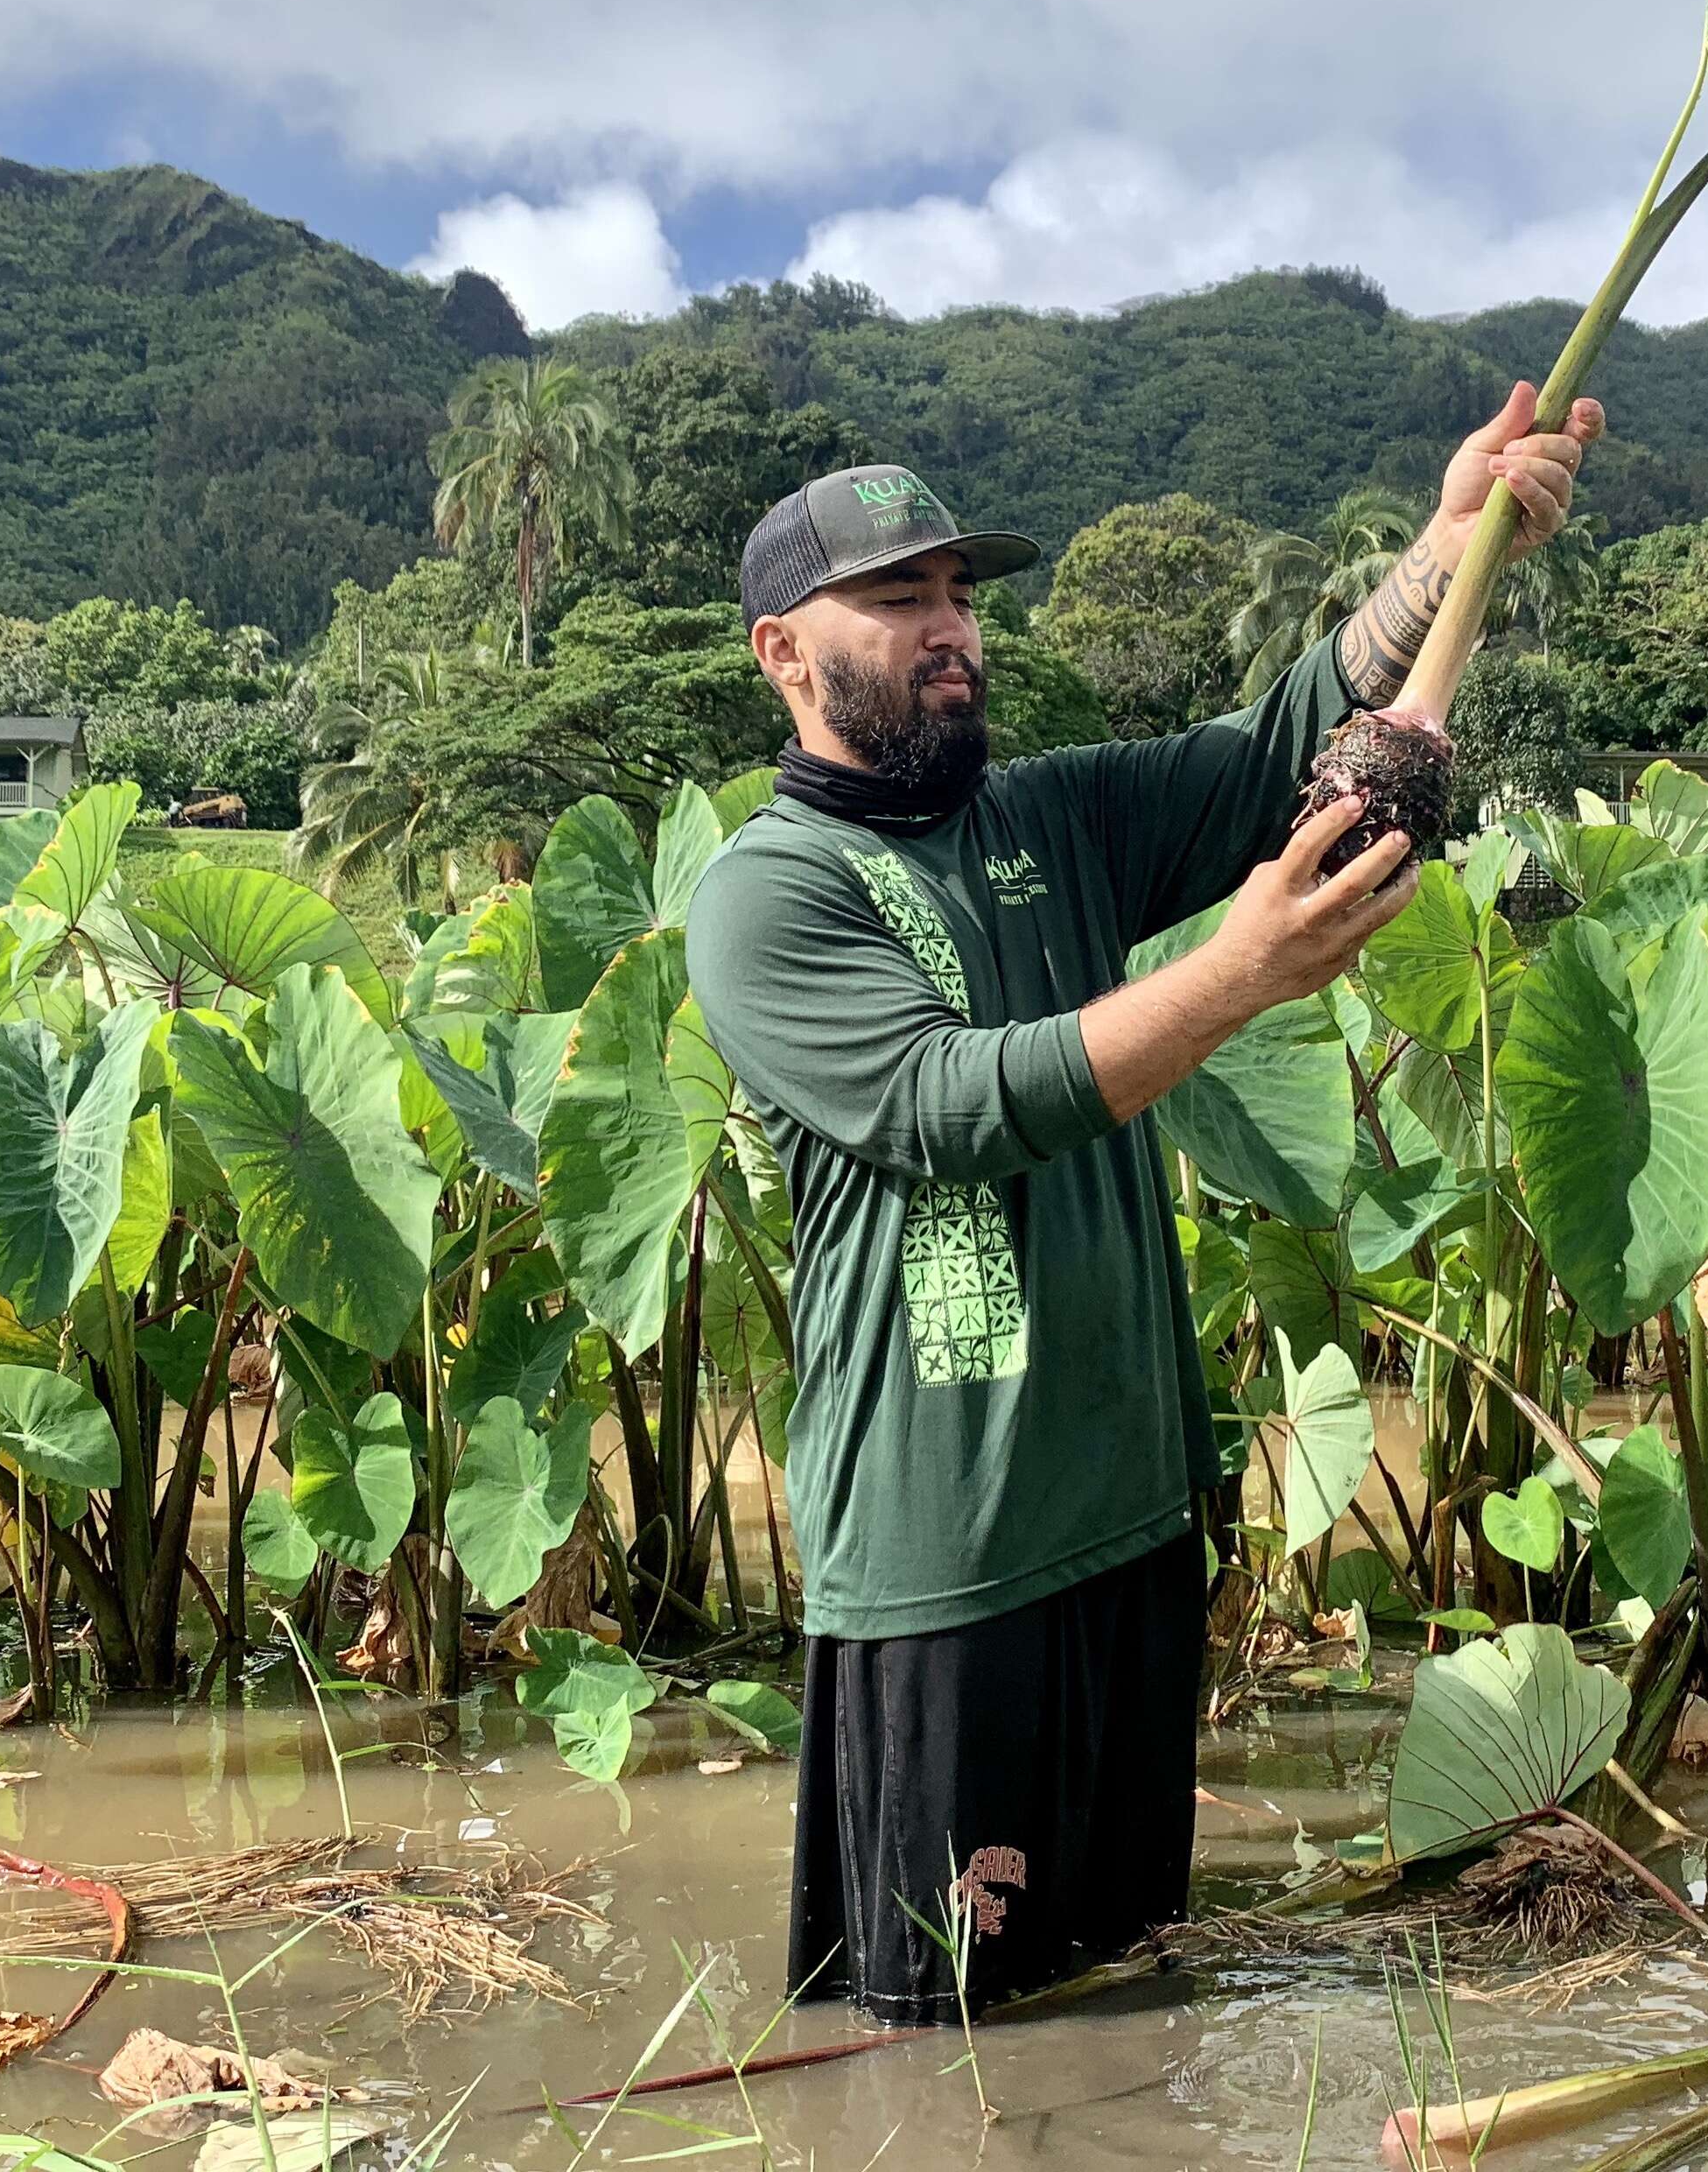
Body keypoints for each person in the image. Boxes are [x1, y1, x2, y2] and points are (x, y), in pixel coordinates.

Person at [683, 380, 1602, 2021]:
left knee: (1120, 1997)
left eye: (961, 594)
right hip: (947, 1543)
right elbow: (939, 1106)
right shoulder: (768, 893)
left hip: (1125, 1507)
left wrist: (1448, 554)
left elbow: (1274, 753)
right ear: (782, 652)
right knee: (939, 2037)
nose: (950, 628)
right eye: (899, 601)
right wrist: (1235, 978)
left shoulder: (1053, 819)